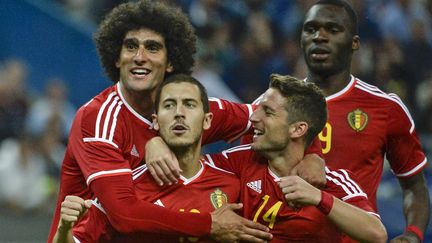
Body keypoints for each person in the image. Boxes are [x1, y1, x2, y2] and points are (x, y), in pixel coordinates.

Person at [47, 1, 273, 242]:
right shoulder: (99, 120)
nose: (139, 57)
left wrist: (312, 155)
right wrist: (209, 224)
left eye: (152, 48)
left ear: (171, 62)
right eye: (130, 47)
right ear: (116, 58)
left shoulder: (191, 112)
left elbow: (272, 115)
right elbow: (124, 215)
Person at [53, 74, 250, 242]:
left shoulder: (234, 176)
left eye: (189, 105)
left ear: (207, 120)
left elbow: (273, 116)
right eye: (169, 105)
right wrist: (64, 229)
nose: (179, 114)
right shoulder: (128, 191)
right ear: (155, 121)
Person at [298, 0, 429, 242]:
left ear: (354, 43)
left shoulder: (385, 108)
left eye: (333, 30)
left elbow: (414, 186)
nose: (319, 37)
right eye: (311, 29)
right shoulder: (271, 106)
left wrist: (413, 234)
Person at [206, 74, 387, 242]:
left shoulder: (331, 182)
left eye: (267, 112)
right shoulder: (237, 161)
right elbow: (191, 176)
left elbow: (377, 234)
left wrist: (318, 198)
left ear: (298, 129)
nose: (253, 118)